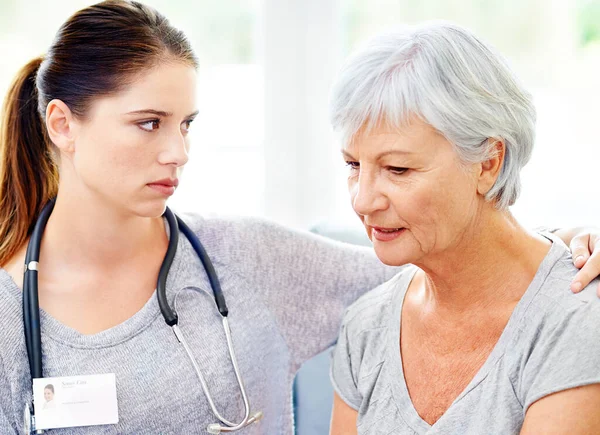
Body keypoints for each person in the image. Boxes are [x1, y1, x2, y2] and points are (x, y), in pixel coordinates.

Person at [0, 2, 596, 434]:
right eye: (149, 122)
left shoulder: (250, 260)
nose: (178, 151)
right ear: (60, 124)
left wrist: (566, 243)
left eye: (187, 124)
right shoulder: (8, 315)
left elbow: (461, 263)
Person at [329, 22, 600, 434]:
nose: (362, 201)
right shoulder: (365, 326)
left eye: (397, 168)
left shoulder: (577, 320)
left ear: (488, 163)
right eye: (353, 165)